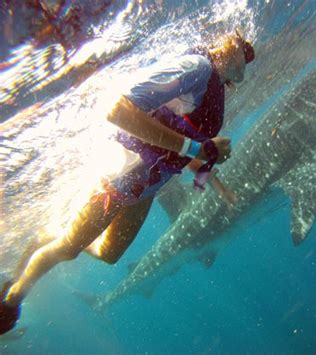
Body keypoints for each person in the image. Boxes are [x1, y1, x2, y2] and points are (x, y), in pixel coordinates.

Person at [0, 29, 255, 335]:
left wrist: (214, 180)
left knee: (110, 254)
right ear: (228, 43)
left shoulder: (213, 91)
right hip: (119, 178)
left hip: (145, 187)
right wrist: (198, 149)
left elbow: (181, 146)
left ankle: (58, 235)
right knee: (67, 249)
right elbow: (117, 110)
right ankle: (12, 299)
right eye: (244, 47)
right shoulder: (196, 68)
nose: (249, 55)